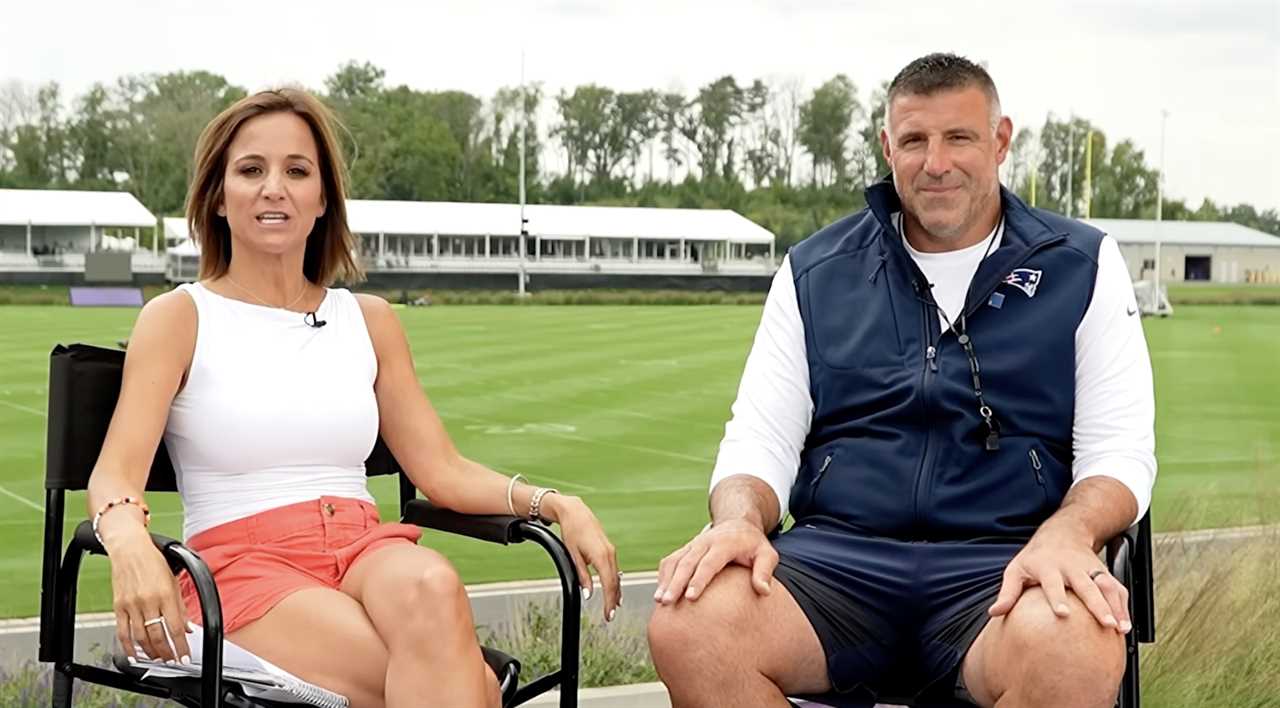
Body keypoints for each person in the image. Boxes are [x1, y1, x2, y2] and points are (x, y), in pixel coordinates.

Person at [647, 53, 1156, 708]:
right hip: (836, 565)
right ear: (888, 147)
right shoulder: (814, 268)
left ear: (1000, 142)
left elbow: (1119, 451)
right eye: (914, 140)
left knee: (1077, 644)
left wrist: (1071, 531)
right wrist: (739, 520)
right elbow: (759, 441)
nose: (935, 162)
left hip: (1005, 564)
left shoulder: (1081, 264)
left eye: (959, 138)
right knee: (690, 624)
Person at [87, 88, 621, 708]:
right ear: (218, 196)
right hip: (239, 568)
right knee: (462, 684)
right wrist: (127, 542)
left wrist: (554, 503)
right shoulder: (179, 317)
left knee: (432, 585)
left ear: (322, 201)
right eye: (251, 170)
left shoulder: (368, 320)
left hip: (363, 546)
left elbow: (440, 471)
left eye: (297, 171)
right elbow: (116, 473)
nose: (273, 188)